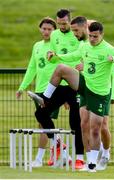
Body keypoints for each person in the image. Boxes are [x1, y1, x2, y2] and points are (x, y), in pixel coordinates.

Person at [29, 22, 114, 172]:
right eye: (90, 36)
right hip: (84, 86)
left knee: (97, 128)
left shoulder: (110, 49)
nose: (92, 39)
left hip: (99, 93)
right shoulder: (84, 46)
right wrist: (57, 56)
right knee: (62, 69)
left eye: (95, 36)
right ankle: (45, 98)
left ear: (102, 35)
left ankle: (95, 162)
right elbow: (72, 56)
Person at [28, 11, 87, 169]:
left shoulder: (78, 35)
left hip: (74, 84)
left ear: (70, 21)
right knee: (40, 113)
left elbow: (83, 54)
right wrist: (51, 56)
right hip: (60, 84)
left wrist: (82, 64)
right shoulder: (54, 35)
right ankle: (58, 142)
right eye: (59, 23)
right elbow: (54, 57)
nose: (62, 26)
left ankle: (80, 158)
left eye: (64, 23)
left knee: (75, 121)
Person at [16, 17, 59, 167]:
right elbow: (32, 68)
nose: (46, 31)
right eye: (44, 28)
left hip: (55, 89)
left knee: (43, 124)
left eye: (50, 29)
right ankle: (58, 154)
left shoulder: (57, 45)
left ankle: (41, 158)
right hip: (40, 90)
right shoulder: (37, 46)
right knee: (43, 123)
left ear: (55, 31)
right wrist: (22, 87)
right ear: (40, 29)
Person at [97, 64, 114, 170]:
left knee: (103, 126)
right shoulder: (83, 48)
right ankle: (99, 149)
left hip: (104, 92)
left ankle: (106, 153)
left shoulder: (107, 50)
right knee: (85, 124)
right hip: (88, 91)